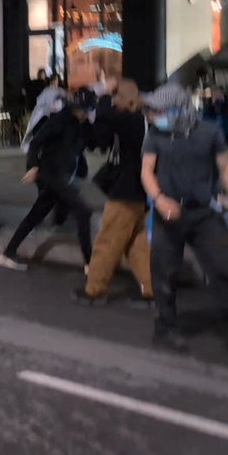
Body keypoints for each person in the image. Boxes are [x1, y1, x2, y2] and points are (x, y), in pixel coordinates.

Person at [141, 84, 228, 354]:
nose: (153, 116)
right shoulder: (155, 136)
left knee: (219, 268)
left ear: (179, 108)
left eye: (159, 111)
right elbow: (147, 172)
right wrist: (160, 199)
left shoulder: (209, 132)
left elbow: (226, 168)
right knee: (164, 274)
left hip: (204, 213)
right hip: (168, 215)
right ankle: (165, 329)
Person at [77, 79, 152, 306]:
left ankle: (95, 289)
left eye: (118, 97)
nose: (114, 102)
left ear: (128, 100)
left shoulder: (131, 120)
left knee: (108, 239)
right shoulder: (142, 120)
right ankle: (152, 288)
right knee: (136, 243)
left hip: (126, 190)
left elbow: (105, 115)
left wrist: (104, 93)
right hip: (140, 190)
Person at [0, 92, 95, 272]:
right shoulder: (59, 120)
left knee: (35, 215)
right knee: (84, 212)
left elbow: (80, 147)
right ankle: (89, 263)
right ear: (78, 108)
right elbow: (36, 143)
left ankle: (8, 253)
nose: (88, 114)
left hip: (60, 175)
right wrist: (33, 167)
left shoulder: (77, 123)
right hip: (52, 174)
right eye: (87, 110)